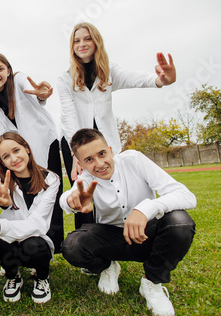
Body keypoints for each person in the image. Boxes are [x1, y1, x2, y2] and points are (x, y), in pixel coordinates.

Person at [60, 128, 196, 316]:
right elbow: (69, 196)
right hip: (111, 240)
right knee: (72, 246)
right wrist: (70, 200)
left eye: (102, 154)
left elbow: (186, 196)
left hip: (146, 235)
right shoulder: (86, 179)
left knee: (180, 222)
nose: (100, 164)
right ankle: (108, 267)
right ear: (80, 163)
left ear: (110, 149)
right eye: (89, 160)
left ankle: (152, 282)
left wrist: (146, 209)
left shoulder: (133, 159)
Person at [57, 22, 177, 229]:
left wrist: (161, 81)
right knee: (82, 193)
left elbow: (136, 79)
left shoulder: (109, 72)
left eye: (87, 39)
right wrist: (76, 155)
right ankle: (88, 239)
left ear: (96, 42)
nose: (82, 44)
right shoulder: (65, 79)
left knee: (111, 189)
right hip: (73, 143)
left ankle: (120, 230)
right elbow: (69, 116)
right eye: (76, 40)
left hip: (105, 143)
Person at [0, 53, 64, 252]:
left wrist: (42, 95)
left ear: (8, 70)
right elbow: (0, 133)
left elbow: (36, 92)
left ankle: (53, 244)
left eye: (0, 69)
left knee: (50, 189)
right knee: (26, 192)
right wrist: (6, 155)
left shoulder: (18, 80)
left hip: (44, 142)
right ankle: (26, 236)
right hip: (19, 151)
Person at [0, 132, 59, 304]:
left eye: (16, 150)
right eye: (6, 156)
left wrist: (1, 225)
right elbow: (0, 203)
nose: (13, 158)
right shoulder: (5, 182)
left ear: (27, 149)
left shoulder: (51, 179)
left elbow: (37, 223)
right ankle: (13, 276)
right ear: (2, 162)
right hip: (11, 244)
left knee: (34, 243)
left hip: (35, 242)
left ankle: (42, 278)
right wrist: (3, 203)